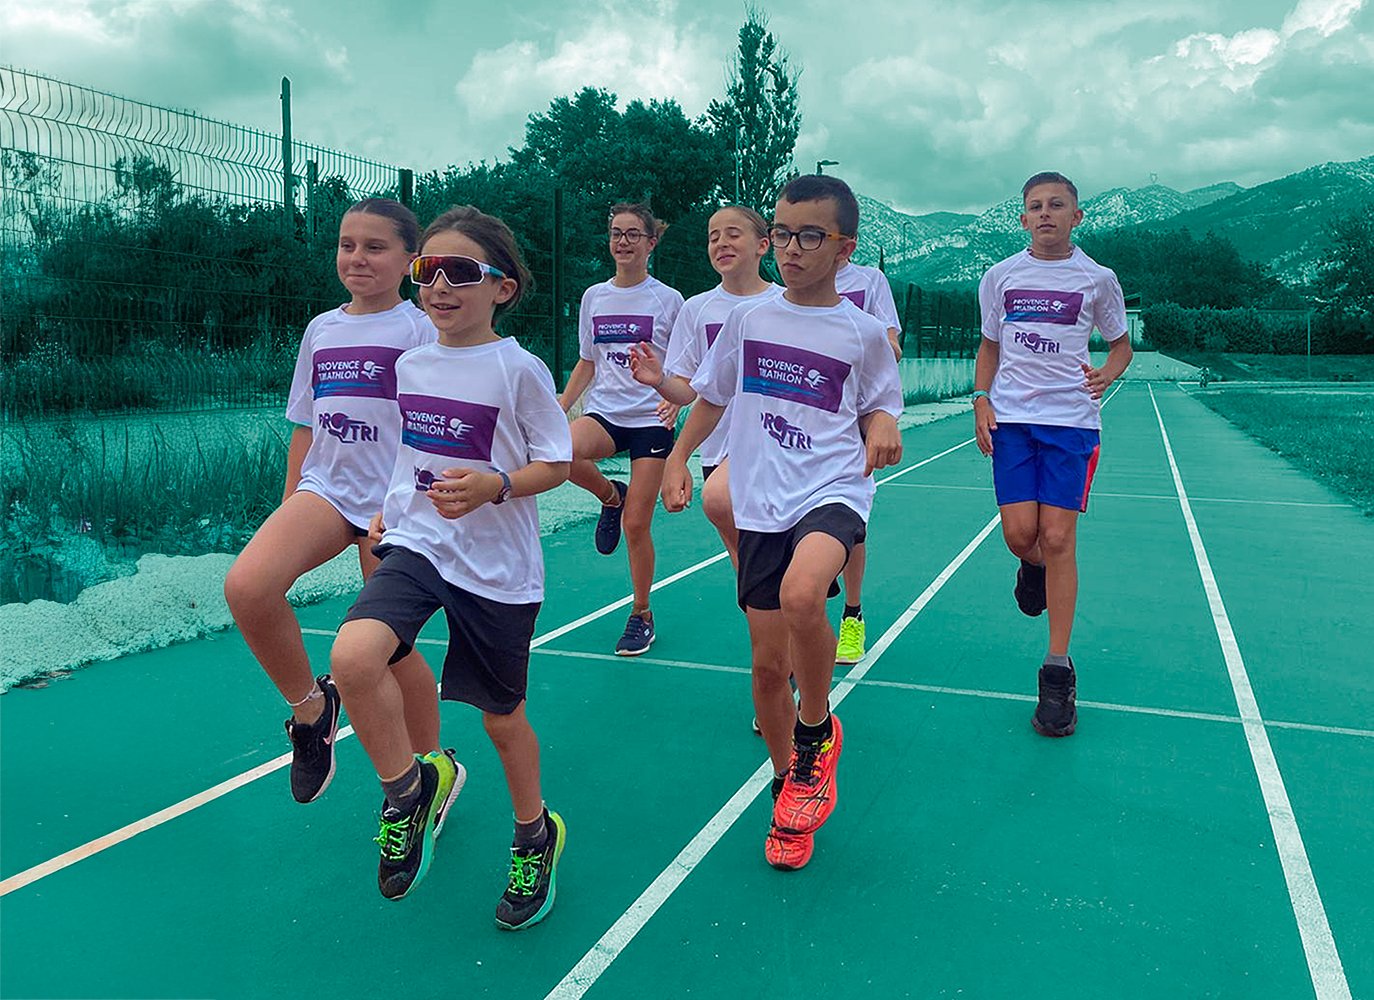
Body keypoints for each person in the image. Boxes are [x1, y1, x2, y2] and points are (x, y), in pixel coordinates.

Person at [327, 206, 572, 929]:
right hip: (419, 543)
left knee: (501, 722)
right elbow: (409, 451)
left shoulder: (519, 370)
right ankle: (409, 791)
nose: (438, 285)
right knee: (353, 657)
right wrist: (388, 507)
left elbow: (557, 463)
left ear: (502, 287)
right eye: (426, 270)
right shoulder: (412, 364)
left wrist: (497, 485)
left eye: (459, 272)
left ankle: (535, 834)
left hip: (496, 568)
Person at [662, 175, 903, 871]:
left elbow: (881, 403)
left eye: (810, 236)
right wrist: (678, 457)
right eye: (783, 233)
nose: (792, 247)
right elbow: (712, 396)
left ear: (844, 248)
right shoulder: (749, 321)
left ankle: (816, 730)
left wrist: (884, 425)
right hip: (761, 497)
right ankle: (788, 785)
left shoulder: (862, 333)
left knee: (803, 596)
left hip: (833, 489)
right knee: (768, 669)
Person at [224, 198, 441, 807]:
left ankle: (433, 769)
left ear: (410, 260)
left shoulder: (420, 328)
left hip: (392, 505)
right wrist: (290, 500)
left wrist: (414, 505)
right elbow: (305, 423)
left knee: (389, 651)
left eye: (375, 247)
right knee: (247, 587)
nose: (357, 258)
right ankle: (312, 711)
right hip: (326, 491)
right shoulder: (322, 329)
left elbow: (440, 422)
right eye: (347, 245)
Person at [973, 171, 1133, 738]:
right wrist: (980, 399)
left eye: (1057, 205)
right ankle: (1032, 565)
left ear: (1075, 217)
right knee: (1022, 536)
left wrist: (1107, 374)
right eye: (1036, 206)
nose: (1046, 213)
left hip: (1070, 425)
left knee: (1059, 537)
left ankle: (1057, 671)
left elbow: (1121, 346)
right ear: (1023, 219)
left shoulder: (1097, 279)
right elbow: (989, 346)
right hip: (1013, 422)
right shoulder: (1000, 277)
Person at [559, 203, 684, 655]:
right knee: (559, 451)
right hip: (606, 414)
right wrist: (562, 405)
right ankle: (611, 495)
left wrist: (674, 397)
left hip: (651, 419)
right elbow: (587, 361)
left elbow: (684, 364)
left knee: (637, 525)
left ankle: (641, 614)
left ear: (651, 243)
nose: (623, 241)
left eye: (633, 234)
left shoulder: (669, 300)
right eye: (616, 233)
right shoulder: (594, 296)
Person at [626, 203, 779, 565]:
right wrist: (660, 380)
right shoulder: (698, 309)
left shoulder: (783, 303)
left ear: (763, 245)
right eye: (713, 237)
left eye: (732, 234)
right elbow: (688, 390)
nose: (721, 243)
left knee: (767, 564)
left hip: (772, 448)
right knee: (746, 565)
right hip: (717, 449)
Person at [830, 258, 905, 665]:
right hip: (805, 418)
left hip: (854, 416)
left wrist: (865, 345)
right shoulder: (787, 283)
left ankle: (852, 614)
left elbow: (892, 344)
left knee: (851, 524)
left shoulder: (869, 281)